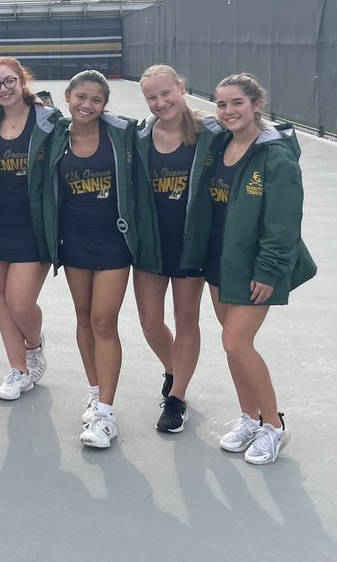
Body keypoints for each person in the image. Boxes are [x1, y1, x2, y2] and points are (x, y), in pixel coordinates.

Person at [204, 73, 317, 465]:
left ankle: (274, 426)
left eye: (237, 103)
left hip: (255, 269)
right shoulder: (218, 144)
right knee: (232, 347)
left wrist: (268, 272)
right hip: (219, 263)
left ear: (256, 104)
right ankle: (249, 418)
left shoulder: (277, 156)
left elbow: (284, 223)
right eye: (221, 104)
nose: (229, 111)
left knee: (237, 343)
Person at [47, 70, 138, 449]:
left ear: (105, 105)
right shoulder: (55, 137)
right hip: (74, 241)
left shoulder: (121, 135)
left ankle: (106, 414)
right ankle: (95, 391)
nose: (87, 105)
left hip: (113, 242)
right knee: (83, 317)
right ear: (67, 96)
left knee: (104, 320)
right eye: (80, 97)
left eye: (96, 100)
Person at [133, 64, 221, 431]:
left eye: (166, 93)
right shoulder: (138, 137)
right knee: (151, 322)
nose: (160, 102)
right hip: (151, 244)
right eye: (151, 97)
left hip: (191, 245)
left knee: (186, 320)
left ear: (182, 88)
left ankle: (177, 398)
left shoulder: (212, 133)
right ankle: (173, 369)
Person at [0, 57, 57, 402]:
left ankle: (34, 346)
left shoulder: (49, 121)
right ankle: (17, 370)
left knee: (20, 302)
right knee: (2, 300)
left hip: (33, 226)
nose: (4, 89)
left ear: (23, 81)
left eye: (10, 81)